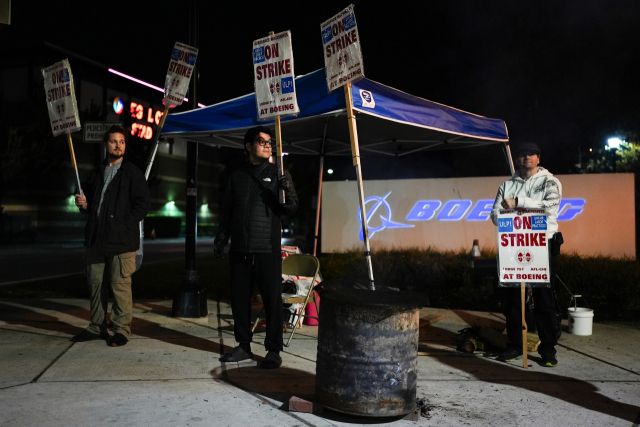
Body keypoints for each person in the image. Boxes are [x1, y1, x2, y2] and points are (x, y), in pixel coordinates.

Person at [214, 126, 298, 369]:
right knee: (240, 300)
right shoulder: (236, 175)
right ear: (248, 146)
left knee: (272, 301)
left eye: (270, 142)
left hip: (267, 249)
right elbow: (228, 211)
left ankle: (273, 350)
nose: (267, 145)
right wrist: (222, 238)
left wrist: (284, 192)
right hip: (240, 249)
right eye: (261, 141)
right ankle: (243, 345)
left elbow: (292, 208)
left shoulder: (279, 173)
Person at [72, 125, 150, 347]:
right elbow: (89, 203)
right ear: (106, 144)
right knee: (95, 283)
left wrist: (123, 223)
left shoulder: (132, 173)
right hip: (97, 238)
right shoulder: (97, 172)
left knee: (120, 285)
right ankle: (97, 326)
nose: (118, 145)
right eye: (114, 141)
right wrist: (83, 204)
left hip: (122, 240)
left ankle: (122, 330)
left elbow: (143, 205)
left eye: (122, 142)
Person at [491, 142, 563, 367]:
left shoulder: (550, 181)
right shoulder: (506, 184)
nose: (527, 158)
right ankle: (514, 345)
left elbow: (550, 206)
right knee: (513, 298)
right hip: (514, 244)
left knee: (544, 298)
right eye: (523, 154)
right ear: (518, 159)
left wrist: (518, 203)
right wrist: (510, 211)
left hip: (543, 243)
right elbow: (496, 214)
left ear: (538, 159)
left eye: (532, 154)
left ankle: (548, 348)